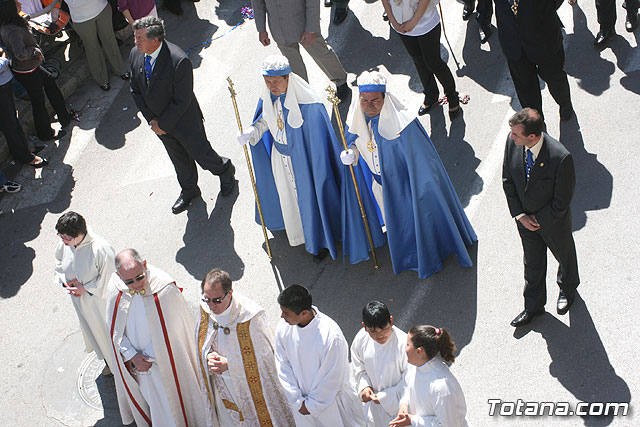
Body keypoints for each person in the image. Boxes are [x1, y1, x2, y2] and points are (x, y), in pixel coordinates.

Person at [237, 56, 384, 262]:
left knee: (311, 200)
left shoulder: (310, 105)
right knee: (290, 200)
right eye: (268, 82)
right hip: (280, 160)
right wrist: (252, 131)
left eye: (276, 81)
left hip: (306, 164)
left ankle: (320, 241)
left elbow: (319, 145)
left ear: (288, 78)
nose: (272, 86)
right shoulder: (269, 98)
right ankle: (302, 236)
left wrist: (316, 169)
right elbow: (266, 121)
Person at [341, 71, 477, 279]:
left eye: (375, 100)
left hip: (406, 187)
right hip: (380, 186)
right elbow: (358, 141)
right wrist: (352, 153)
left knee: (414, 224)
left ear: (384, 99)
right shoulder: (359, 120)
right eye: (364, 100)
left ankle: (427, 256)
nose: (369, 105)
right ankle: (407, 255)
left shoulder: (404, 125)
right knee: (397, 226)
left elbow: (421, 161)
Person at [129, 16, 236, 214]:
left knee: (202, 155)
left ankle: (225, 170)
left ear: (156, 40)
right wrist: (152, 120)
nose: (136, 42)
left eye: (140, 38)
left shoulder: (178, 61)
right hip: (158, 123)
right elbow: (135, 89)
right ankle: (189, 190)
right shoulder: (136, 54)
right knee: (179, 159)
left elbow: (182, 100)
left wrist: (163, 123)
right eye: (135, 37)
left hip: (184, 122)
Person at [106, 249, 208, 427]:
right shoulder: (116, 289)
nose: (136, 285)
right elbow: (115, 331)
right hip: (139, 368)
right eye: (129, 281)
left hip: (169, 363)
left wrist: (150, 357)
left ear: (145, 265)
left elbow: (176, 332)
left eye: (140, 277)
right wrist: (131, 355)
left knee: (175, 404)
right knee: (154, 404)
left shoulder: (164, 288)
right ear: (118, 275)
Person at [502, 108, 580, 327]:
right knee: (533, 264)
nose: (511, 137)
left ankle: (568, 287)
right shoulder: (513, 144)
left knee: (564, 256)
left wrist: (539, 220)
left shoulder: (560, 157)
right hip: (525, 221)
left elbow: (562, 200)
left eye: (516, 134)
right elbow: (508, 180)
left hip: (553, 223)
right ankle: (533, 307)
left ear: (532, 137)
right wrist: (520, 216)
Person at [196, 269, 295, 426]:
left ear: (229, 294)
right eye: (207, 299)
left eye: (216, 300)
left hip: (249, 390)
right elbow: (203, 340)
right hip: (223, 386)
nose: (211, 305)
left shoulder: (250, 317)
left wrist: (229, 364)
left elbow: (266, 359)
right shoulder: (206, 307)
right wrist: (207, 355)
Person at [274, 285, 365, 427]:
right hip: (301, 406)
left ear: (303, 312)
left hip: (331, 406)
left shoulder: (330, 336)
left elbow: (332, 377)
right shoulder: (283, 328)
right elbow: (282, 364)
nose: (282, 316)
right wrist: (296, 400)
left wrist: (312, 406)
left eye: (286, 312)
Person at [0, 0, 71, 141]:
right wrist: (36, 51)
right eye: (16, 3)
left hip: (31, 67)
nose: (20, 3)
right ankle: (45, 133)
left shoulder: (12, 22)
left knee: (50, 83)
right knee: (38, 101)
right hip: (27, 70)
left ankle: (65, 116)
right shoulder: (12, 29)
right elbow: (20, 53)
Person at [54, 212, 115, 376]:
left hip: (100, 305)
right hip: (82, 305)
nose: (63, 241)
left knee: (107, 333)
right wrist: (65, 280)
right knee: (95, 334)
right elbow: (59, 262)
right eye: (61, 236)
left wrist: (85, 288)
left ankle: (122, 367)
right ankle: (110, 362)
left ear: (79, 234)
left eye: (66, 238)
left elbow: (110, 277)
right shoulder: (65, 245)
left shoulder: (100, 248)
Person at [251, 0, 350, 101]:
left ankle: (340, 81)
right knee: (294, 66)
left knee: (321, 54)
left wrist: (311, 29)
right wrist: (261, 30)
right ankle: (305, 94)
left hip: (302, 23)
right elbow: (257, 4)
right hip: (279, 30)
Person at [381, 0, 462, 119]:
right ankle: (431, 95)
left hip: (426, 24)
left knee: (434, 62)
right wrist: (393, 22)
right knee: (418, 61)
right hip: (402, 27)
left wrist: (413, 22)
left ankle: (453, 97)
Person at [494, 0, 573, 121]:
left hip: (544, 38)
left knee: (554, 78)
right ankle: (536, 121)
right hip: (513, 42)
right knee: (525, 88)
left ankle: (565, 104)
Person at [389, 325, 469, 427]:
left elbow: (448, 425)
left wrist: (412, 420)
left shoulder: (441, 387)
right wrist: (404, 403)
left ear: (419, 351)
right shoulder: (415, 366)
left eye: (408, 344)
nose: (404, 348)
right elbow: (407, 387)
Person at [350, 301, 407, 426]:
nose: (380, 335)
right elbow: (359, 366)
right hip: (375, 410)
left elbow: (410, 382)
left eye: (384, 329)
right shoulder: (361, 339)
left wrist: (384, 398)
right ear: (364, 326)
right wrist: (364, 386)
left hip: (400, 409)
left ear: (391, 321)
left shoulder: (404, 345)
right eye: (373, 331)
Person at [64, 0, 130, 91]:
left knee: (110, 40)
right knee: (92, 48)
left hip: (102, 10)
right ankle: (101, 79)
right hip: (82, 19)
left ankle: (120, 69)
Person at [1, 49, 47, 167]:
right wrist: (5, 59)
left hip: (4, 84)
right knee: (10, 123)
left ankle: (25, 149)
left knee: (12, 121)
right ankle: (24, 156)